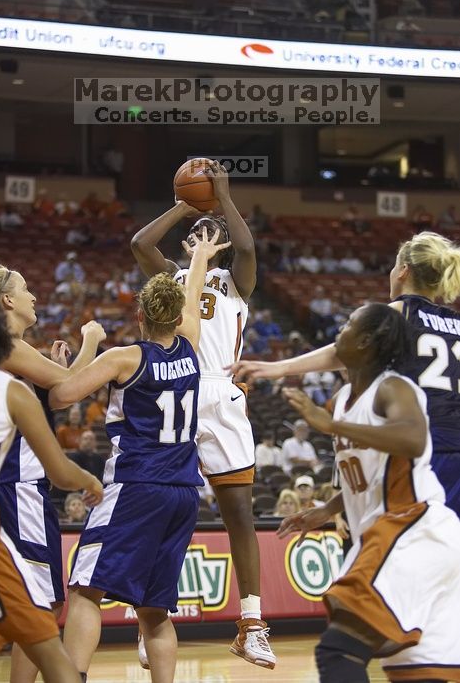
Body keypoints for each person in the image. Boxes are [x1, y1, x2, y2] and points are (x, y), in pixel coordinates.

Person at [48, 229, 230, 683]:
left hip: (136, 485)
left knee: (86, 590)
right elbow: (191, 307)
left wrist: (89, 342)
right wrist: (201, 258)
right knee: (154, 610)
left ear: (141, 313)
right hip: (184, 493)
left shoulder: (125, 358)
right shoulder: (190, 348)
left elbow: (60, 397)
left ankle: (75, 678)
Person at [131, 160, 276, 669]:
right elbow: (140, 245)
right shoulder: (173, 279)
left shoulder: (238, 280)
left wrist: (224, 198)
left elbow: (249, 246)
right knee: (166, 509)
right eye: (195, 230)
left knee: (239, 512)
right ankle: (151, 624)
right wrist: (185, 206)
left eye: (209, 227)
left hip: (222, 393)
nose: (203, 231)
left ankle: (252, 624)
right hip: (179, 388)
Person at [278, 303, 460, 683]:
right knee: (420, 676)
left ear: (366, 342)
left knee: (339, 650)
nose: (339, 330)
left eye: (348, 324)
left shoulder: (393, 388)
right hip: (403, 539)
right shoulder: (343, 398)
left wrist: (328, 426)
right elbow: (369, 471)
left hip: (410, 530)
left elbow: (412, 439)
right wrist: (328, 507)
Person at [230, 232, 460, 518]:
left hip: (417, 451)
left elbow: (343, 351)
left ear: (403, 271)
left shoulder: (398, 313)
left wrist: (278, 368)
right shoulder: (456, 323)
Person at [0, 263, 106, 683]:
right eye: (25, 289)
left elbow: (58, 395)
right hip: (17, 488)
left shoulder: (16, 352)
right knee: (36, 604)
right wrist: (91, 342)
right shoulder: (7, 345)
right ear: (7, 301)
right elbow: (73, 386)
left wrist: (53, 376)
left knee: (33, 604)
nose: (34, 296)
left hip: (17, 486)